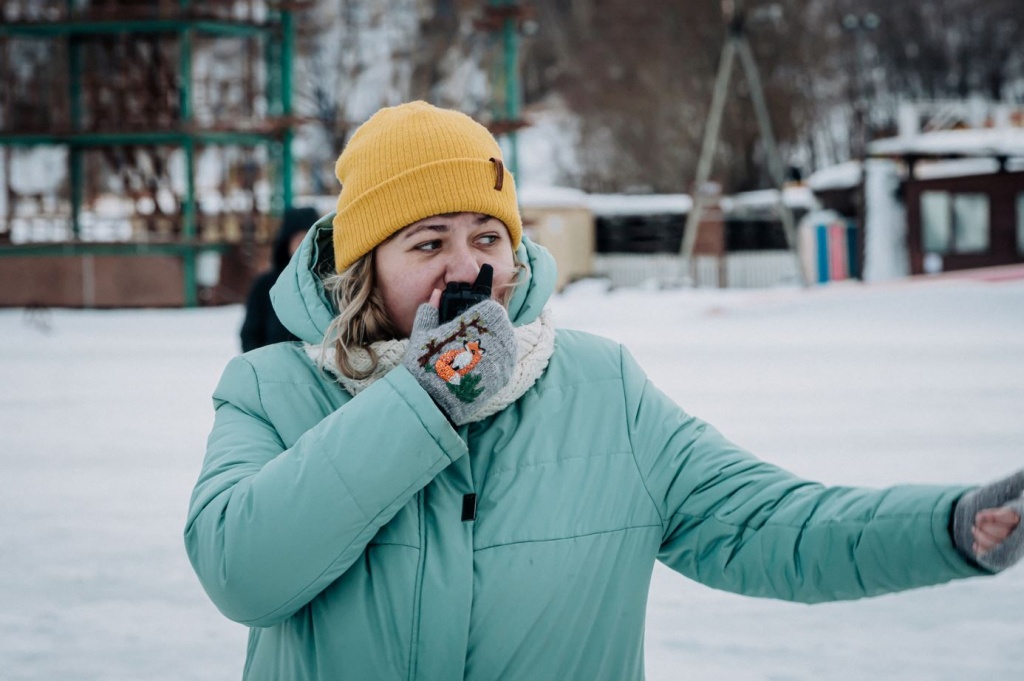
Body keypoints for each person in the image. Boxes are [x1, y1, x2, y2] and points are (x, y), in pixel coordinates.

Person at [185, 101, 1023, 680]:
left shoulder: (598, 386)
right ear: (367, 266)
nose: (468, 266)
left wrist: (950, 527)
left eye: (488, 236)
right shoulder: (273, 389)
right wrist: (425, 396)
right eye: (427, 241)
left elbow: (772, 524)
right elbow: (244, 572)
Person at [239, 206, 320, 352]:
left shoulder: (330, 283)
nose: (303, 246)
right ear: (287, 242)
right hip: (275, 371)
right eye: (298, 239)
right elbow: (250, 336)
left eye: (308, 238)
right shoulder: (265, 286)